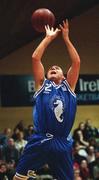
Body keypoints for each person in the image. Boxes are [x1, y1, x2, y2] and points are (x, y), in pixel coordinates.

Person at [13, 19, 80, 180]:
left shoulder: (69, 86)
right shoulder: (43, 84)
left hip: (62, 142)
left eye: (57, 68)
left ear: (63, 76)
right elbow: (36, 58)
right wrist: (48, 38)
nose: (53, 68)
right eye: (51, 68)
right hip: (41, 138)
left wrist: (66, 38)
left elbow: (76, 62)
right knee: (18, 178)